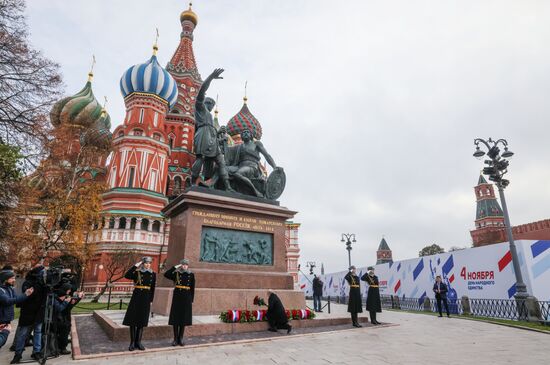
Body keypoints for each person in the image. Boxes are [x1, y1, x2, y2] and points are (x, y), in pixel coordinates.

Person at [191, 68, 232, 191]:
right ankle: (193, 182)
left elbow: (211, 128)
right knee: (201, 157)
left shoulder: (208, 115)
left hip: (212, 137)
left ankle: (227, 186)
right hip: (203, 134)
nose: (211, 106)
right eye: (209, 103)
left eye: (212, 104)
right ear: (205, 102)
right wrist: (211, 77)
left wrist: (218, 132)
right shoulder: (200, 107)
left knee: (221, 161)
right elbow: (202, 90)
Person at [10, 264, 47, 363]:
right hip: (28, 313)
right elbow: (28, 295)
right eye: (42, 272)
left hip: (39, 312)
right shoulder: (28, 282)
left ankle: (36, 352)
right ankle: (18, 354)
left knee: (38, 332)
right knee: (23, 334)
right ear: (38, 273)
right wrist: (38, 285)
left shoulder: (43, 284)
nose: (44, 274)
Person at [122, 257, 156, 351]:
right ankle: (132, 342)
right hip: (136, 297)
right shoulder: (137, 272)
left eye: (149, 263)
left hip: (146, 298)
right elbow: (127, 275)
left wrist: (151, 300)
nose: (148, 264)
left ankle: (139, 342)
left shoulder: (153, 274)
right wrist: (135, 266)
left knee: (142, 321)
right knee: (133, 321)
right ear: (143, 264)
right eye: (146, 263)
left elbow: (152, 288)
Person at [164, 259, 195, 346]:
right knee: (176, 318)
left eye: (186, 265)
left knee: (183, 318)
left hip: (186, 298)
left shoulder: (191, 275)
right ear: (181, 265)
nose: (184, 266)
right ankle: (175, 339)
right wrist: (175, 267)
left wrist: (191, 299)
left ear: (188, 266)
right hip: (177, 297)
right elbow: (166, 274)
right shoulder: (176, 273)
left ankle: (180, 338)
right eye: (183, 265)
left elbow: (192, 288)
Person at [0, 269, 33, 350]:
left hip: (6, 319)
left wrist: (25, 295)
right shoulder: (1, 290)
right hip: (1, 319)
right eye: (12, 278)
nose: (14, 280)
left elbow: (16, 299)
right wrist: (25, 295)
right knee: (2, 340)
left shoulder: (10, 288)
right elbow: (7, 301)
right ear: (5, 279)